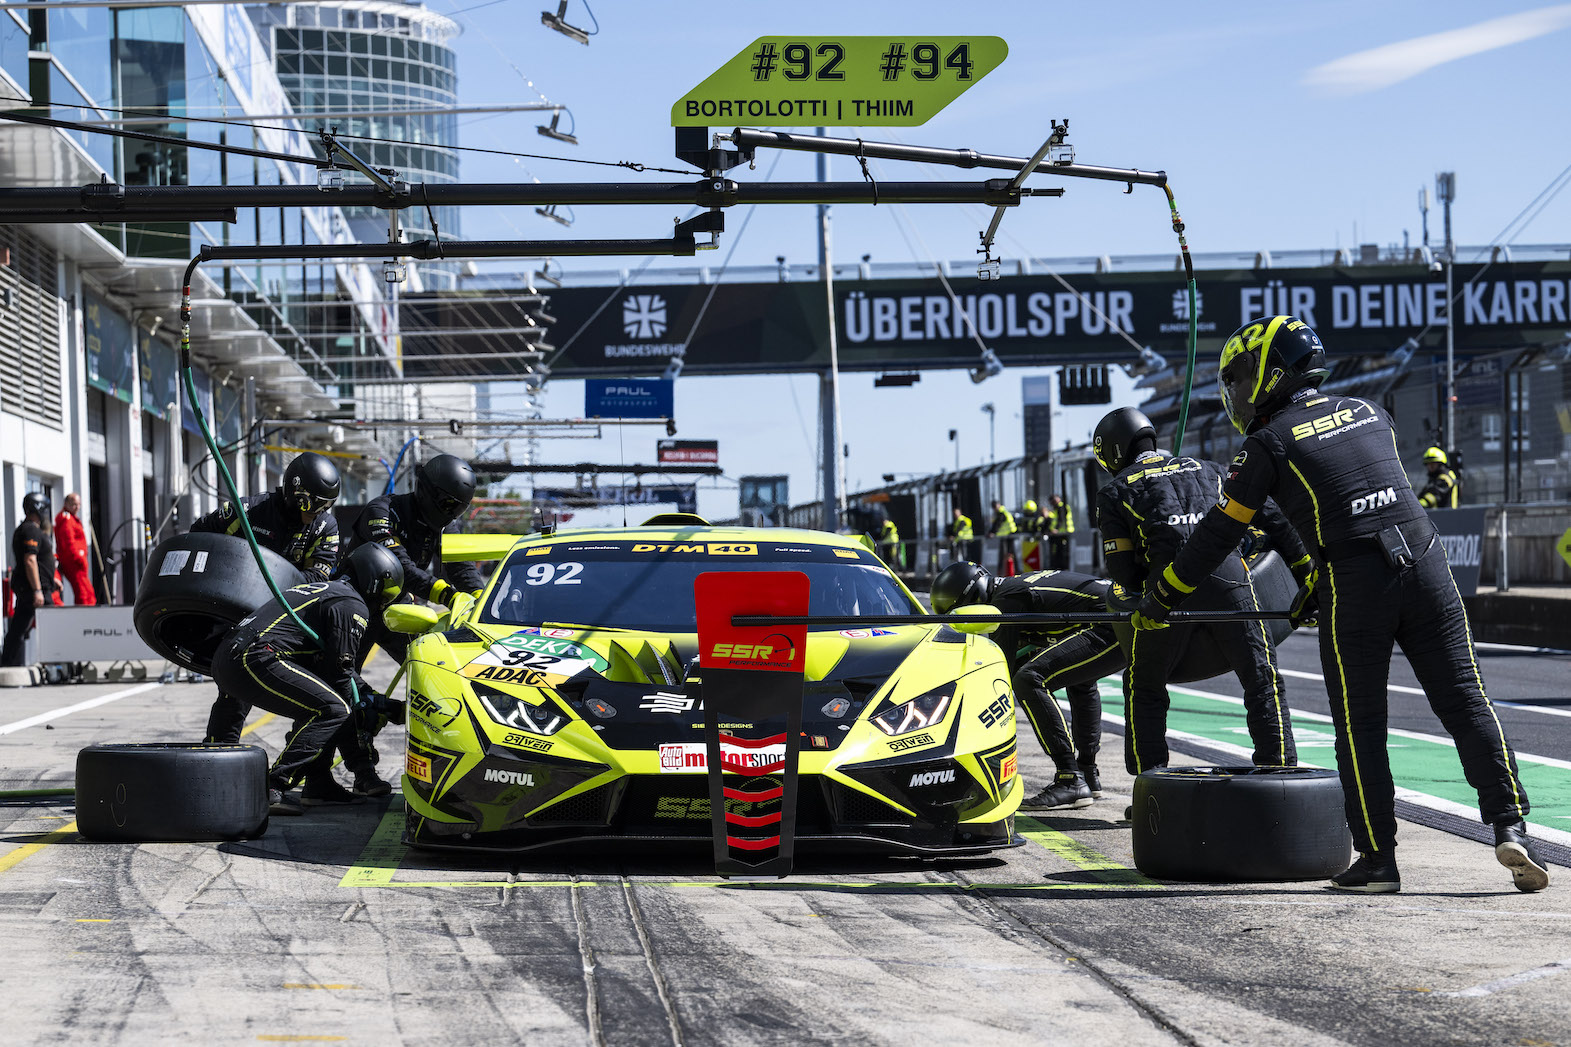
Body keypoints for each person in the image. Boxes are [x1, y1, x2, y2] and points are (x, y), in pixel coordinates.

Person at [1136, 314, 1547, 894]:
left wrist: (1162, 595)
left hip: (1355, 581)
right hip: (1427, 562)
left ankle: (1378, 861)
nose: (1235, 391)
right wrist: (1314, 583)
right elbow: (1358, 494)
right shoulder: (1371, 411)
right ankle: (1511, 825)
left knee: (1360, 725)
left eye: (1238, 376)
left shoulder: (1266, 444)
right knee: (1464, 698)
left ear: (1269, 372)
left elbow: (1217, 536)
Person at [1095, 405, 1306, 780]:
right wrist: (1306, 574)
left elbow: (1122, 572)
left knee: (1144, 688)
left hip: (1166, 588)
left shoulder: (1114, 490)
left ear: (1112, 451)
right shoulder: (1212, 469)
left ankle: (1150, 786)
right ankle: (1279, 774)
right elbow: (1277, 520)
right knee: (1261, 676)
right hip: (1229, 575)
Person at [211, 543, 404, 815]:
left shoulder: (323, 590)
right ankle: (273, 785)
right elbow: (340, 677)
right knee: (334, 709)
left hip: (229, 655)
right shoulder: (352, 603)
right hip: (253, 657)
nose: (385, 602)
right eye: (387, 595)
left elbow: (332, 673)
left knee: (323, 701)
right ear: (374, 581)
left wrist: (378, 702)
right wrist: (373, 711)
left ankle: (319, 784)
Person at [341, 454, 485, 794]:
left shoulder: (446, 525)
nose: (452, 513)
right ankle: (355, 771)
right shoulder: (382, 512)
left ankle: (450, 759)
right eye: (448, 504)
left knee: (437, 675)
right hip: (354, 608)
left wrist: (481, 600)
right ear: (428, 491)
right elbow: (400, 566)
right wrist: (445, 594)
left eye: (459, 508)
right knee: (341, 688)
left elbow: (463, 569)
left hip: (398, 611)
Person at [932, 560, 1120, 809]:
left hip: (1109, 623)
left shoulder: (1006, 600)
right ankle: (1086, 772)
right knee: (1080, 681)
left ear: (972, 600)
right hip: (1119, 615)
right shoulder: (1012, 588)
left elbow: (1003, 669)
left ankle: (1070, 777)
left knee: (1028, 679)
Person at [195, 453, 343, 747]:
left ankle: (308, 763)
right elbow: (200, 535)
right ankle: (218, 750)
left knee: (322, 692)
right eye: (314, 504)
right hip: (245, 618)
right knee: (234, 690)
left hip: (293, 620)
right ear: (294, 493)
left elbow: (318, 578)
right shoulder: (247, 511)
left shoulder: (325, 528)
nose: (319, 512)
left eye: (327, 505)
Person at [3, 492, 58, 667]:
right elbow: (30, 560)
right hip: (33, 590)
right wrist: (37, 590)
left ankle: (9, 663)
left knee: (20, 627)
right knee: (50, 627)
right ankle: (54, 664)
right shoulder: (30, 530)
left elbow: (38, 561)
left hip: (35, 587)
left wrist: (52, 579)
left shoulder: (29, 529)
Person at [53, 494, 96, 606]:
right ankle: (84, 614)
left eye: (78, 504)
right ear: (66, 504)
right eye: (74, 504)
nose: (77, 507)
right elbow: (68, 542)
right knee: (83, 593)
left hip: (77, 562)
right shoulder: (67, 520)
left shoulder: (71, 519)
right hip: (74, 563)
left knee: (87, 592)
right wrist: (78, 558)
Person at [986, 499, 1018, 574]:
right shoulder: (1003, 512)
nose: (995, 509)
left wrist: (992, 532)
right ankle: (1011, 572)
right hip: (1007, 535)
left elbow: (997, 524)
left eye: (995, 507)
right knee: (1009, 554)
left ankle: (1008, 572)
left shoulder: (1001, 513)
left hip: (1008, 535)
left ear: (998, 505)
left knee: (1008, 554)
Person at [1045, 495, 1075, 569]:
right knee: (1059, 551)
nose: (1052, 504)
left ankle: (1062, 566)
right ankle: (1059, 566)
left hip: (1064, 533)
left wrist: (1056, 529)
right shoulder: (1057, 508)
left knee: (1062, 551)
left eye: (1053, 502)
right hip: (1061, 533)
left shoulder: (1061, 507)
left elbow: (1061, 519)